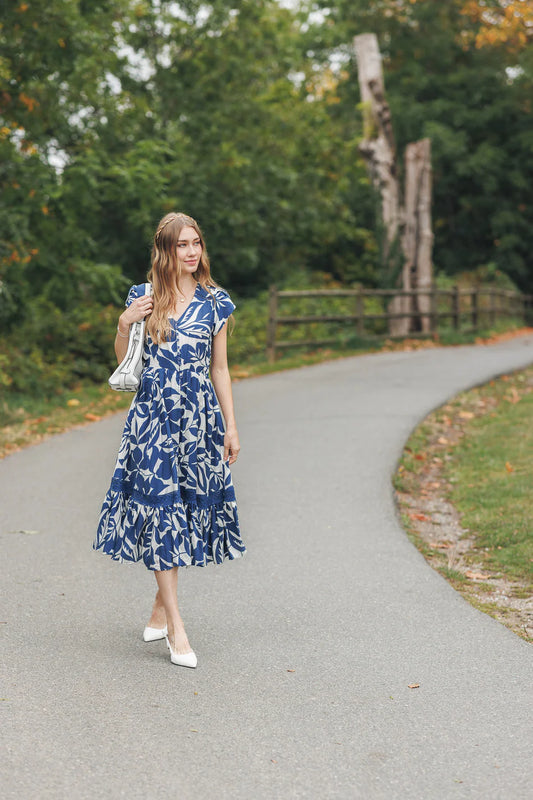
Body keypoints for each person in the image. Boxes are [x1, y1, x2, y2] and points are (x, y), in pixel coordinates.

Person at [93, 212, 246, 669]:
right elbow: (128, 366)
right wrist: (124, 324)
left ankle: (161, 604)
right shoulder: (143, 297)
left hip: (198, 421)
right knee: (161, 512)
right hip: (152, 420)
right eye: (182, 245)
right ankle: (178, 630)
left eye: (196, 242)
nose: (192, 252)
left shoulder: (217, 303)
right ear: (165, 250)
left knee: (187, 510)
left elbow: (219, 369)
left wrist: (231, 426)